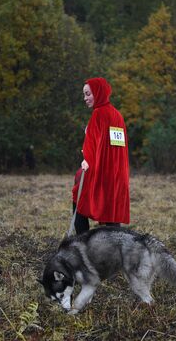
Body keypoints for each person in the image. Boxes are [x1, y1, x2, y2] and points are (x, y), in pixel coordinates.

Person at [71, 77, 130, 234]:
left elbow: (92, 149)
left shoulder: (98, 114)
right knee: (112, 213)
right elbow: (115, 147)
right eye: (84, 94)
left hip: (102, 172)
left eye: (88, 94)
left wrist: (86, 163)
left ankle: (82, 241)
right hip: (118, 174)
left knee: (79, 193)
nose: (85, 98)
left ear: (98, 92)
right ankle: (115, 248)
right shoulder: (117, 115)